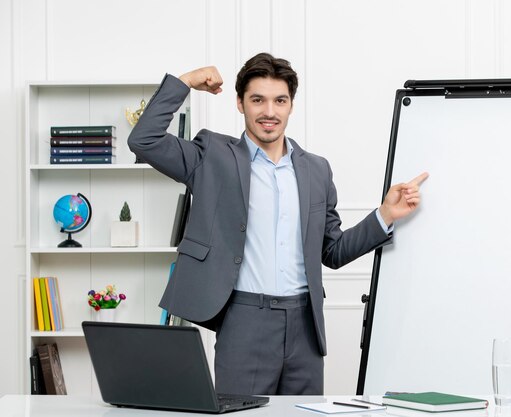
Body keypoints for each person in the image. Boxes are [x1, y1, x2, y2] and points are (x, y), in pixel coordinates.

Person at [128, 52, 428, 396]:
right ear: (240, 103)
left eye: (279, 101)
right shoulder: (211, 156)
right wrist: (188, 81)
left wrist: (385, 215)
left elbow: (332, 251)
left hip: (305, 325)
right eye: (258, 100)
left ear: (290, 105)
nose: (269, 112)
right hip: (244, 320)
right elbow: (144, 140)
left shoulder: (316, 170)